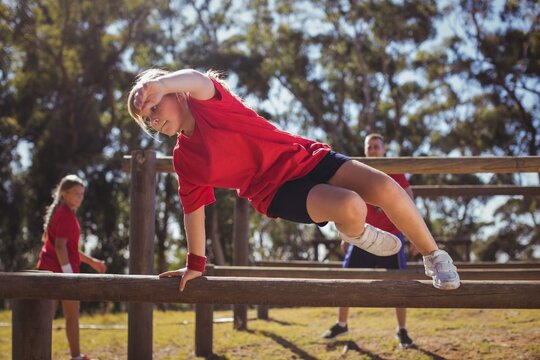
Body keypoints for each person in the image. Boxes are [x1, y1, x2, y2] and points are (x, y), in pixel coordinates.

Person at [126, 68, 460, 293]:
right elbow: (193, 209)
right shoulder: (185, 159)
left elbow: (197, 79)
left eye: (154, 107)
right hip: (276, 191)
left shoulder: (208, 103)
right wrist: (195, 264)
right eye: (147, 119)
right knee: (351, 206)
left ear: (176, 94)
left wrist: (161, 83)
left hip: (304, 157)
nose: (154, 121)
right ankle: (355, 230)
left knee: (387, 186)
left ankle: (434, 256)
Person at [322, 133, 418, 347]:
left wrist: (414, 236)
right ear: (365, 150)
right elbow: (345, 204)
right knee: (347, 279)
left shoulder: (395, 171)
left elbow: (409, 203)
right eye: (370, 147)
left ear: (384, 149)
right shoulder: (357, 172)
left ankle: (402, 330)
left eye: (377, 146)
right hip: (363, 235)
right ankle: (342, 323)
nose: (373, 150)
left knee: (398, 284)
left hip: (392, 237)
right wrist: (346, 234)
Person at [37, 174, 106, 360]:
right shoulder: (65, 215)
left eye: (82, 194)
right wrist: (69, 276)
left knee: (50, 317)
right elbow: (60, 247)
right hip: (57, 273)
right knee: (65, 317)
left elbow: (69, 249)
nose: (80, 197)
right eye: (76, 193)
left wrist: (92, 262)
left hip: (49, 271)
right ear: (64, 194)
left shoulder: (62, 212)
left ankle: (74, 355)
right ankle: (73, 356)